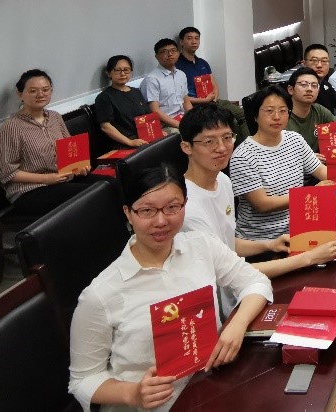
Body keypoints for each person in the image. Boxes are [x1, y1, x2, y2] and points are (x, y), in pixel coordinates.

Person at [68, 162, 272, 412]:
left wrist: (237, 324)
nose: (161, 220)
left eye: (173, 207)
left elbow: (256, 282)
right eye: (147, 211)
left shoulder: (202, 246)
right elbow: (82, 380)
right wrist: (133, 393)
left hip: (210, 388)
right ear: (128, 213)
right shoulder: (100, 294)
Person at [179, 105, 336, 279]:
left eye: (227, 137)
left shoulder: (222, 180)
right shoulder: (185, 206)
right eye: (209, 141)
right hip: (223, 288)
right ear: (186, 147)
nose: (222, 148)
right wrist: (309, 258)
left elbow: (226, 243)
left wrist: (270, 245)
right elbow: (225, 273)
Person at [231, 85, 336, 241]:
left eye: (283, 111)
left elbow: (321, 171)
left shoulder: (294, 140)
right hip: (264, 240)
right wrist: (311, 193)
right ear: (255, 116)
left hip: (301, 227)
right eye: (269, 111)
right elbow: (263, 204)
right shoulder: (243, 156)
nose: (277, 117)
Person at [0, 69, 95, 215]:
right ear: (20, 94)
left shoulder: (55, 117)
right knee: (92, 196)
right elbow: (4, 172)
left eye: (45, 90)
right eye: (33, 91)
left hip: (62, 180)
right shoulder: (11, 127)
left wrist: (80, 166)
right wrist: (45, 178)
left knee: (109, 184)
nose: (40, 94)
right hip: (30, 191)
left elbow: (70, 150)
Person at [176, 26, 249, 141]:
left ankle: (247, 147)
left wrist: (213, 100)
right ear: (181, 42)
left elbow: (214, 86)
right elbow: (180, 97)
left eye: (197, 38)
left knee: (244, 114)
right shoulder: (177, 66)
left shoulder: (203, 63)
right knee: (230, 121)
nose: (194, 41)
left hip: (213, 102)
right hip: (196, 106)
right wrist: (203, 101)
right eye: (189, 38)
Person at [285, 67, 336, 151]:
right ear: (290, 89)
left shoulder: (319, 110)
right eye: (304, 84)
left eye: (314, 85)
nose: (309, 89)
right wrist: (309, 156)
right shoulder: (282, 116)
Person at [93, 56, 150, 150]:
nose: (123, 74)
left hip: (144, 137)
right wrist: (130, 142)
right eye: (117, 70)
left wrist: (157, 132)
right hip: (124, 143)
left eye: (126, 70)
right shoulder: (104, 97)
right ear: (108, 73)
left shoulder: (136, 92)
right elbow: (105, 126)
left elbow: (147, 116)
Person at [140, 38, 192, 132]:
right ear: (156, 56)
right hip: (165, 124)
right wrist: (180, 125)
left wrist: (194, 119)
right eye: (164, 51)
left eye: (173, 50)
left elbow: (186, 101)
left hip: (183, 118)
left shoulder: (181, 74)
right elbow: (154, 110)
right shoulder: (152, 79)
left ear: (178, 53)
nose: (170, 54)